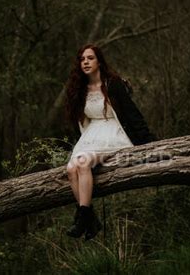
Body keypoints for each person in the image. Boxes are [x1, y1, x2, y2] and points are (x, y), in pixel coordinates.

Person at [64, 43, 157, 240]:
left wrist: (148, 141)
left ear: (99, 62)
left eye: (90, 58)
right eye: (82, 59)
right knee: (71, 170)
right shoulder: (79, 89)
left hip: (113, 134)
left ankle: (83, 218)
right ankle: (90, 219)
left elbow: (132, 113)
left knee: (82, 164)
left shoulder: (113, 84)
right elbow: (79, 122)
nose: (86, 62)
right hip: (91, 137)